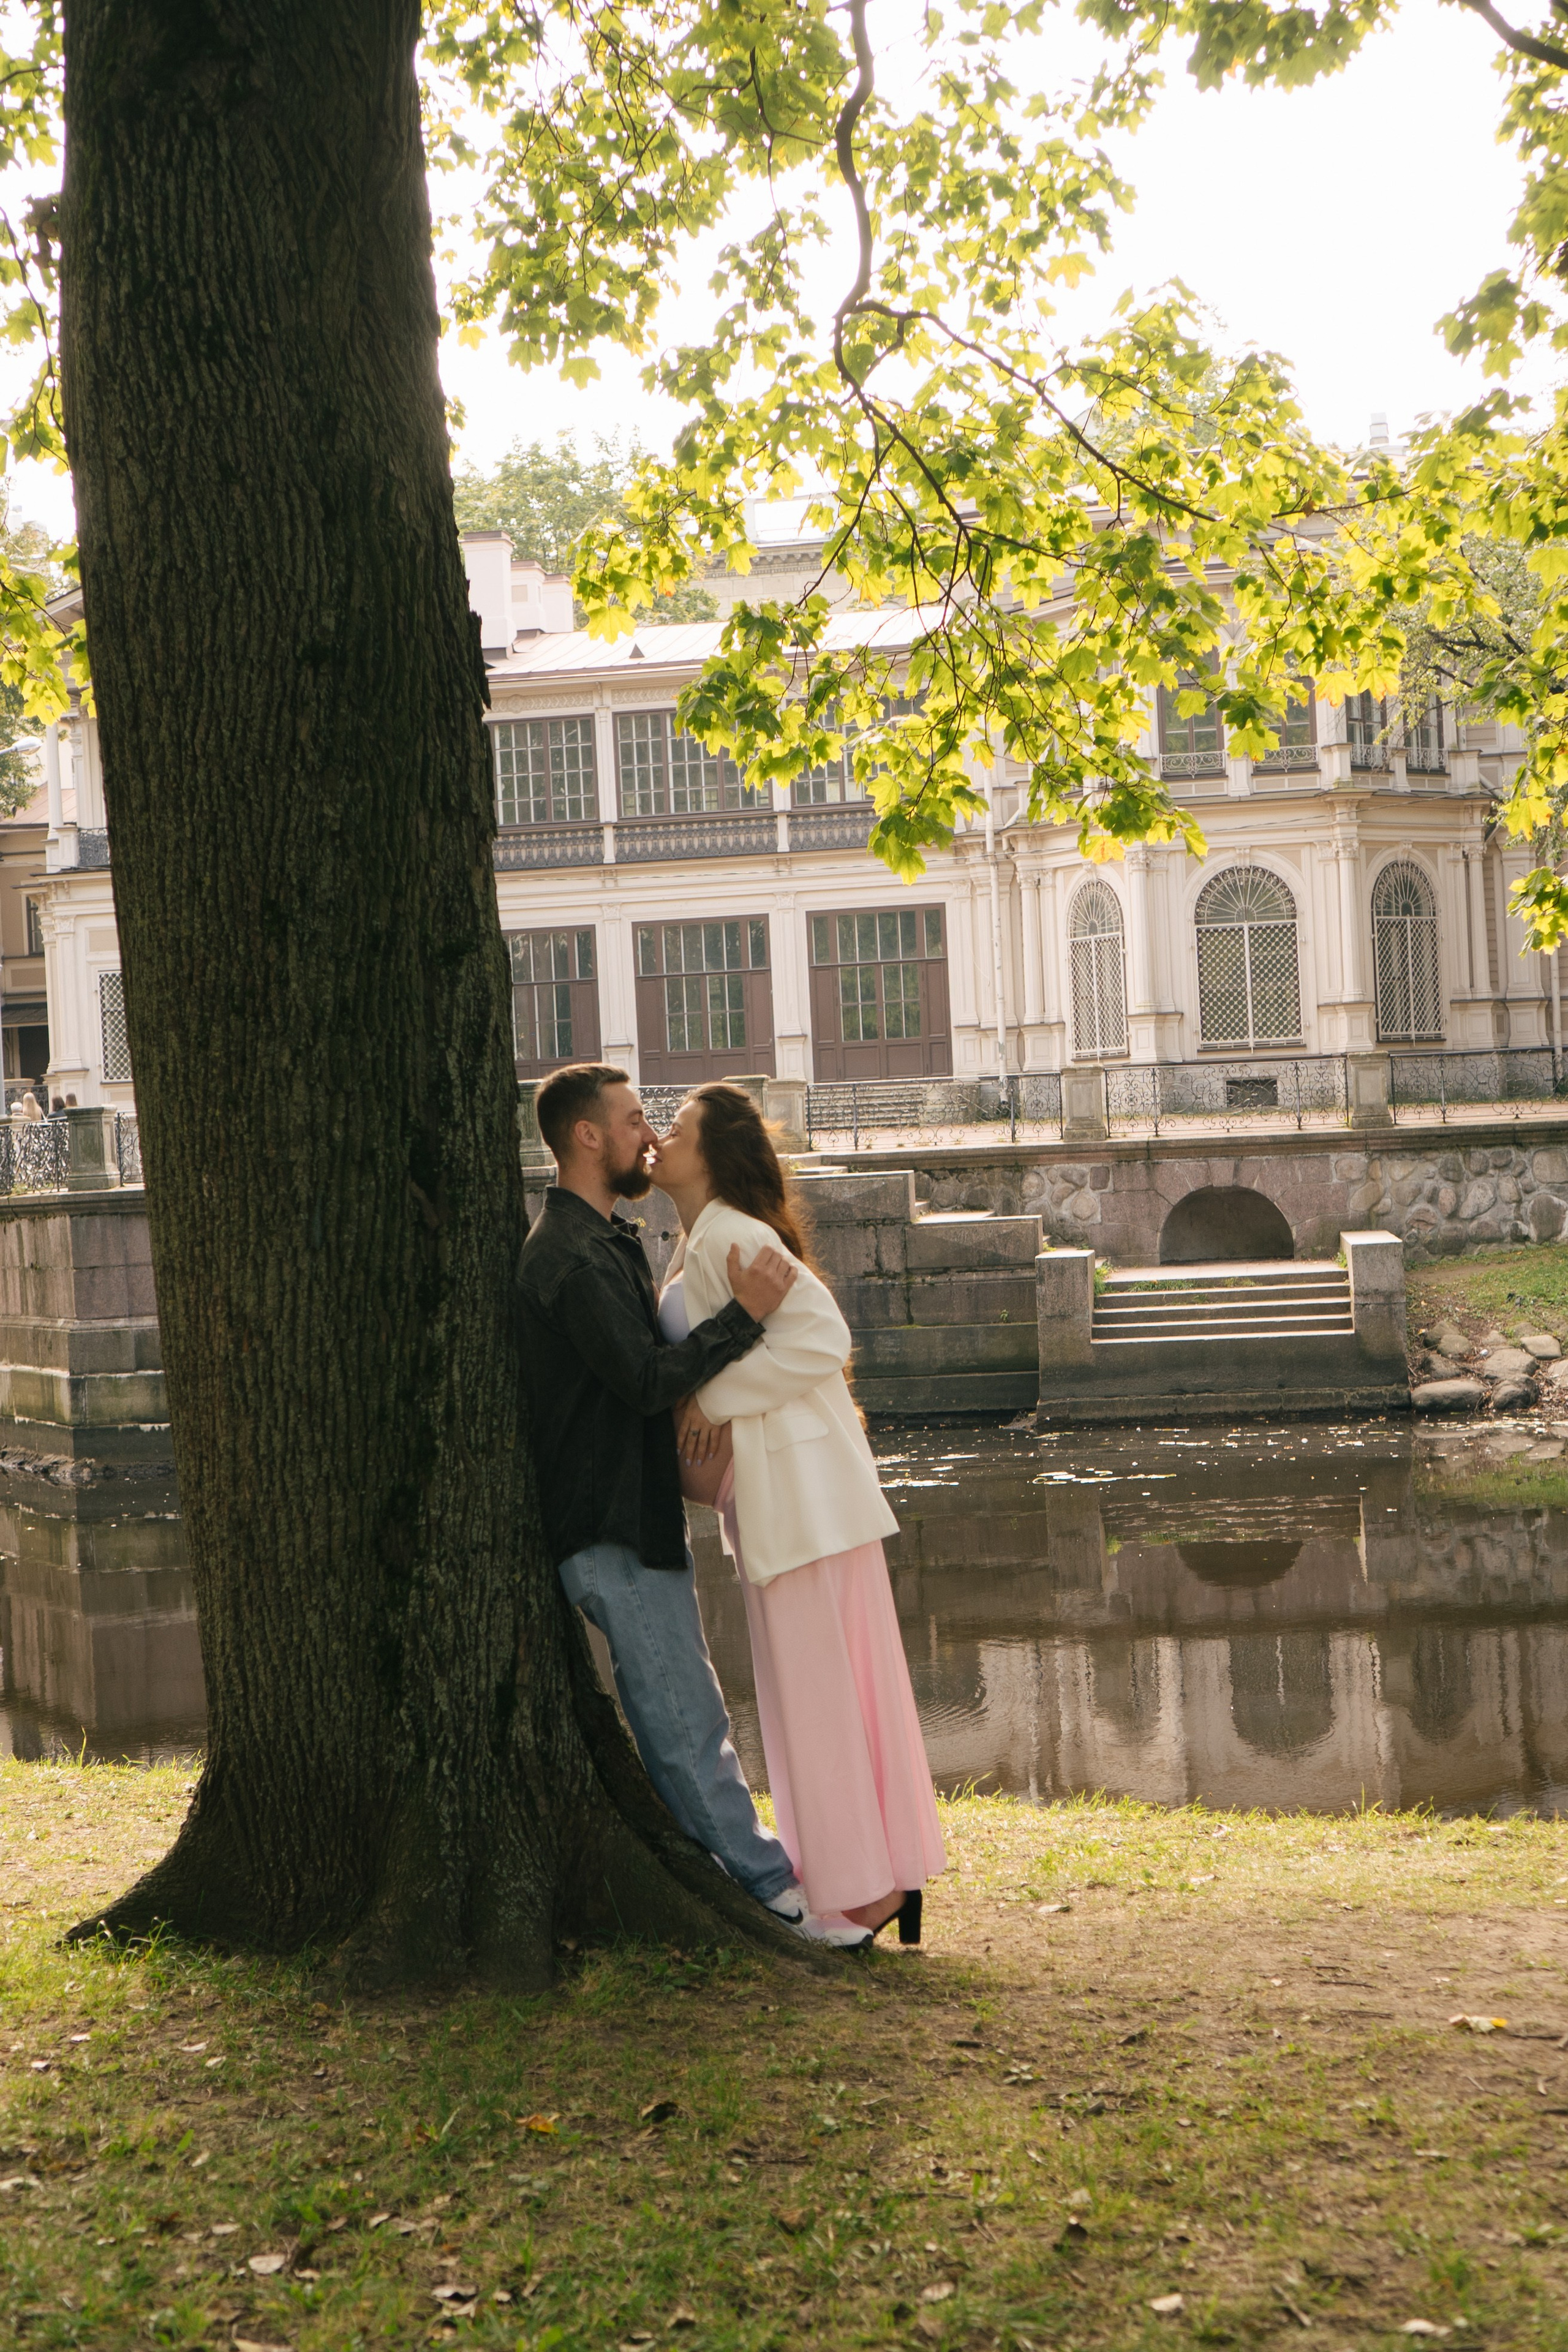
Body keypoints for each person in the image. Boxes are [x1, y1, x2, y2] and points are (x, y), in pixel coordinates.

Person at [517, 1061, 866, 1947]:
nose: (650, 1135)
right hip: (608, 1527)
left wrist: (697, 1400)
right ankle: (776, 1899)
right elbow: (641, 1378)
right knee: (685, 1721)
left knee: (688, 1711)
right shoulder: (566, 1254)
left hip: (634, 1521)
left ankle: (751, 1881)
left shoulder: (607, 1241)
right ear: (589, 1137)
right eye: (636, 1120)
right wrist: (742, 1319)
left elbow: (647, 1380)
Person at [651, 1082, 946, 1945]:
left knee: (821, 1699)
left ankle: (862, 1895)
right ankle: (872, 1877)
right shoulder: (705, 1239)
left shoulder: (734, 1237)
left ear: (713, 1155)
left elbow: (822, 1339)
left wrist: (711, 1405)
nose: (661, 1140)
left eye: (677, 1129)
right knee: (830, 1695)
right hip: (785, 1499)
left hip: (802, 1500)